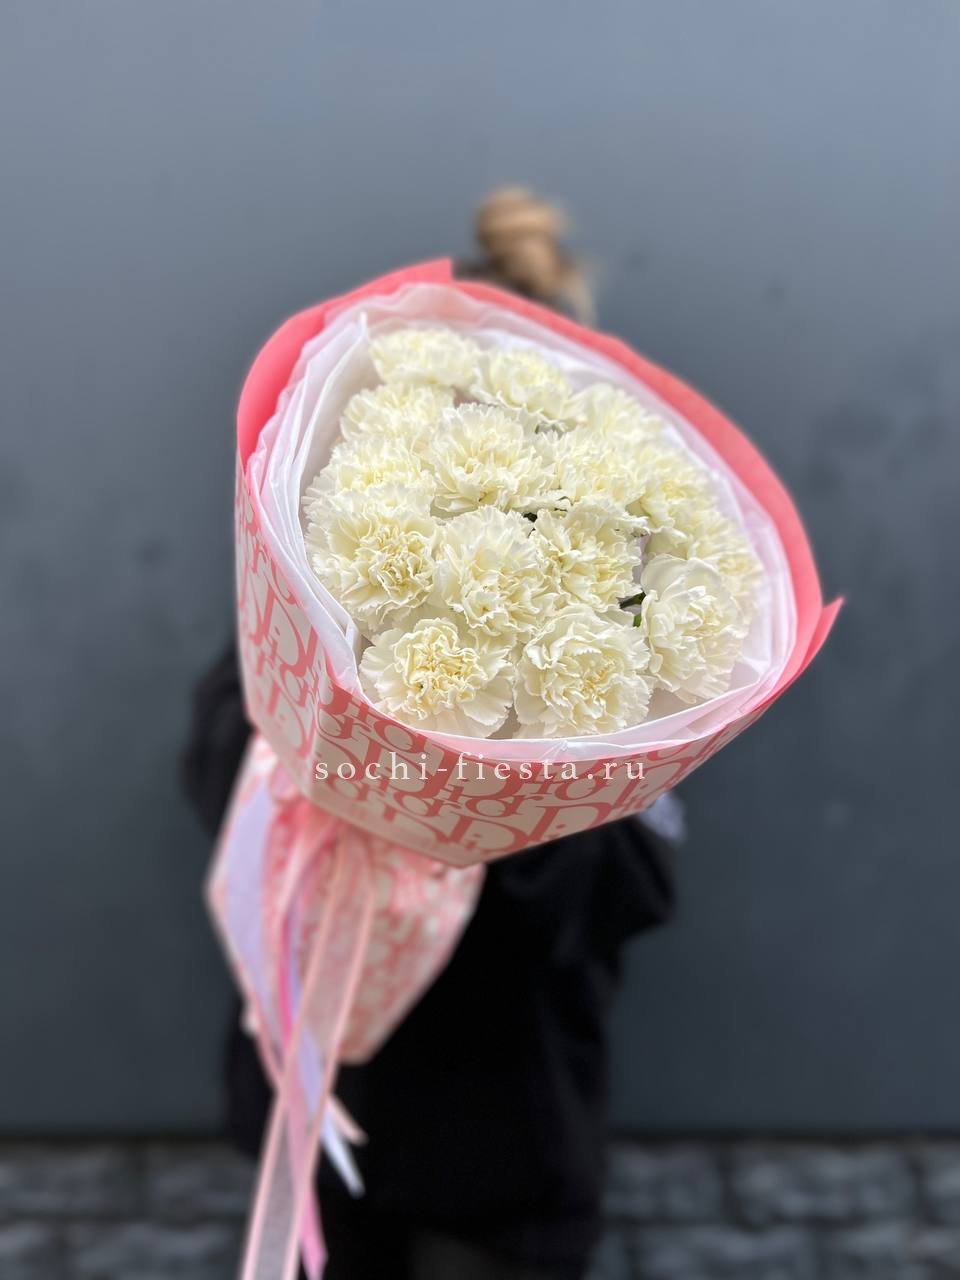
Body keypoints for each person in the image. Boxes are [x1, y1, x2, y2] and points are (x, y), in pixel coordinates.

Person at [183, 190, 677, 1280]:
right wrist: (336, 753)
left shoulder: (618, 637)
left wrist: (500, 796)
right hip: (322, 1123)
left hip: (503, 1146)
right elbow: (214, 757)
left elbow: (632, 886)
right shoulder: (315, 578)